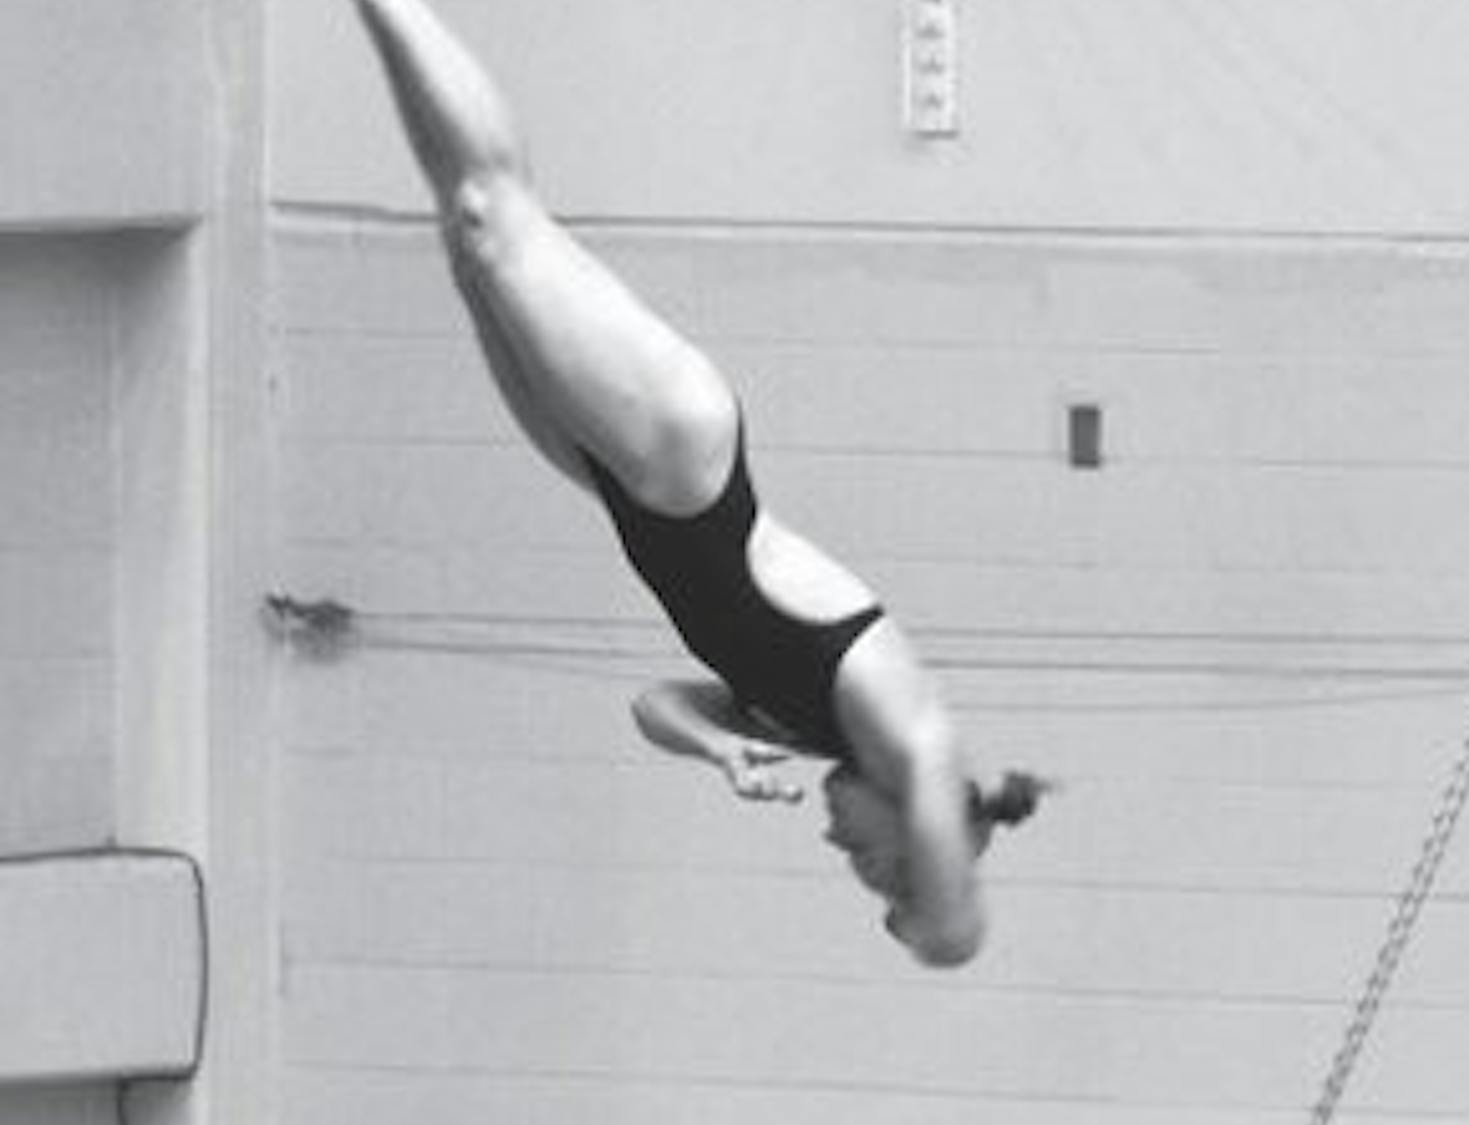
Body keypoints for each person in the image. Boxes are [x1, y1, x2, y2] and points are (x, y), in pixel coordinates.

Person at [355, 0, 1048, 967]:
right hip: (682, 455)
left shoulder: (809, 722)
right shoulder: (904, 715)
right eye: (874, 862)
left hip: (623, 484)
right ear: (921, 829)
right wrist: (924, 919)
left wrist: (717, 749)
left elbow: (654, 704)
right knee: (492, 212)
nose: (839, 845)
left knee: (469, 236)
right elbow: (954, 928)